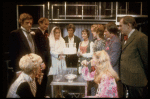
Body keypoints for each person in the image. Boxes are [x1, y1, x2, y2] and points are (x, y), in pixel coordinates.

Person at [118, 16, 148, 98]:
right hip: (127, 80)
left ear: (128, 25)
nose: (119, 28)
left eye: (120, 25)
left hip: (136, 81)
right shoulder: (126, 38)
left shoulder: (140, 37)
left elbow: (146, 60)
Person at [9, 13, 38, 82]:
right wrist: (17, 70)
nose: (29, 25)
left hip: (32, 68)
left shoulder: (32, 34)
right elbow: (13, 54)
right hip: (21, 68)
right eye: (27, 23)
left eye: (30, 23)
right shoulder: (15, 34)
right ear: (21, 23)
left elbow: (34, 50)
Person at [47, 26, 67, 97]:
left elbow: (64, 49)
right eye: (56, 33)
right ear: (53, 33)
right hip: (54, 61)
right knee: (55, 78)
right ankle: (55, 94)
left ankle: (60, 94)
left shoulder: (62, 40)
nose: (58, 34)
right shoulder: (50, 40)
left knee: (62, 77)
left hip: (62, 60)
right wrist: (58, 55)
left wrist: (63, 53)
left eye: (59, 33)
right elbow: (51, 51)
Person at [34, 17, 51, 97]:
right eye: (45, 24)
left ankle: (43, 95)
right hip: (41, 61)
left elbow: (47, 49)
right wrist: (41, 62)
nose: (46, 26)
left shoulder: (45, 33)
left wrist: (48, 62)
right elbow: (37, 50)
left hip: (46, 61)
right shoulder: (36, 33)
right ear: (40, 23)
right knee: (40, 82)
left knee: (44, 80)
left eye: (47, 24)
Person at [77, 29, 94, 96]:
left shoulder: (91, 43)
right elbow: (78, 54)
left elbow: (92, 54)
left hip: (88, 63)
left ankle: (87, 95)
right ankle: (82, 94)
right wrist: (78, 54)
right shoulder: (80, 43)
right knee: (81, 79)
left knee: (87, 80)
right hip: (80, 63)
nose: (83, 35)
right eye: (82, 34)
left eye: (85, 34)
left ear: (88, 34)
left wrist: (82, 54)